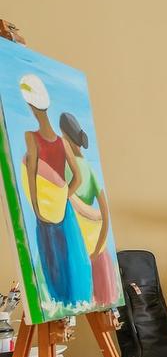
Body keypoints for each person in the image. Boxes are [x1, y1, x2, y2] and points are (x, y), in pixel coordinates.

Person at [20, 74, 92, 310]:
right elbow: (78, 178)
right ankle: (73, 302)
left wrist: (37, 208)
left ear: (31, 106)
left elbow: (31, 174)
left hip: (46, 211)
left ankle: (58, 301)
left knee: (54, 258)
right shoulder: (63, 141)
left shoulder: (31, 137)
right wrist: (63, 197)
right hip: (63, 208)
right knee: (69, 256)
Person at [59, 112, 116, 307]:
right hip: (96, 242)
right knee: (100, 302)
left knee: (72, 300)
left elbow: (61, 201)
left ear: (64, 135)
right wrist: (99, 247)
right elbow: (105, 213)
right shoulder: (90, 168)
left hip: (77, 239)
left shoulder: (65, 166)